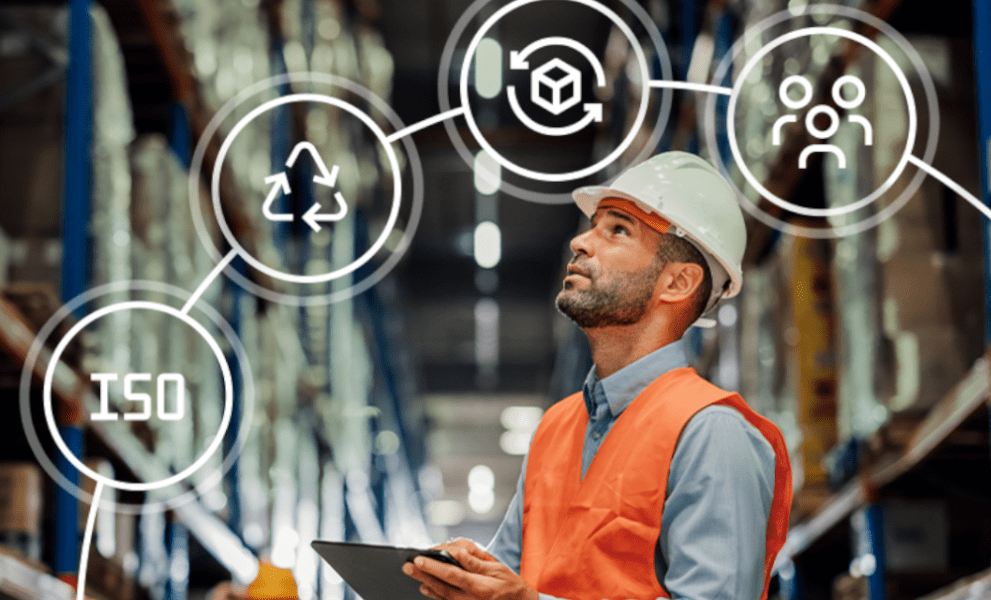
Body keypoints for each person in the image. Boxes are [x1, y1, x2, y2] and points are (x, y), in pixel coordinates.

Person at [403, 152, 792, 600]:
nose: (582, 242)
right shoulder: (555, 429)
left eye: (618, 230)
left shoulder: (711, 434)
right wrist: (455, 578)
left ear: (677, 283)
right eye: (593, 225)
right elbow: (510, 582)